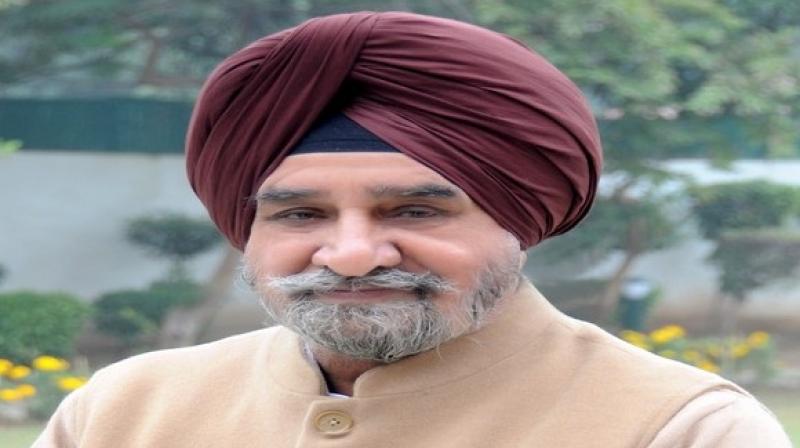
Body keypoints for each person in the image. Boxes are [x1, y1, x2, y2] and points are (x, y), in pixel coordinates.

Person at [35, 12, 790, 447]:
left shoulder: (678, 428)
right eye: (299, 214)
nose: (351, 255)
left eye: (415, 211)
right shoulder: (125, 412)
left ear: (520, 219)